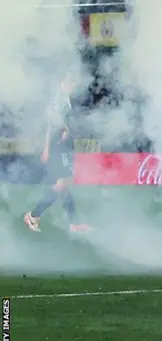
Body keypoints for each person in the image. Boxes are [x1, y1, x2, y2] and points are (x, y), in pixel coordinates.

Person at [23, 75, 91, 233]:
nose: (72, 85)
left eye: (73, 83)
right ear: (62, 82)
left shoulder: (64, 98)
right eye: (69, 82)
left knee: (65, 185)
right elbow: (51, 120)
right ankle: (33, 216)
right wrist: (63, 130)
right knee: (61, 184)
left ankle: (74, 223)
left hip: (64, 146)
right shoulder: (59, 98)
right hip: (59, 146)